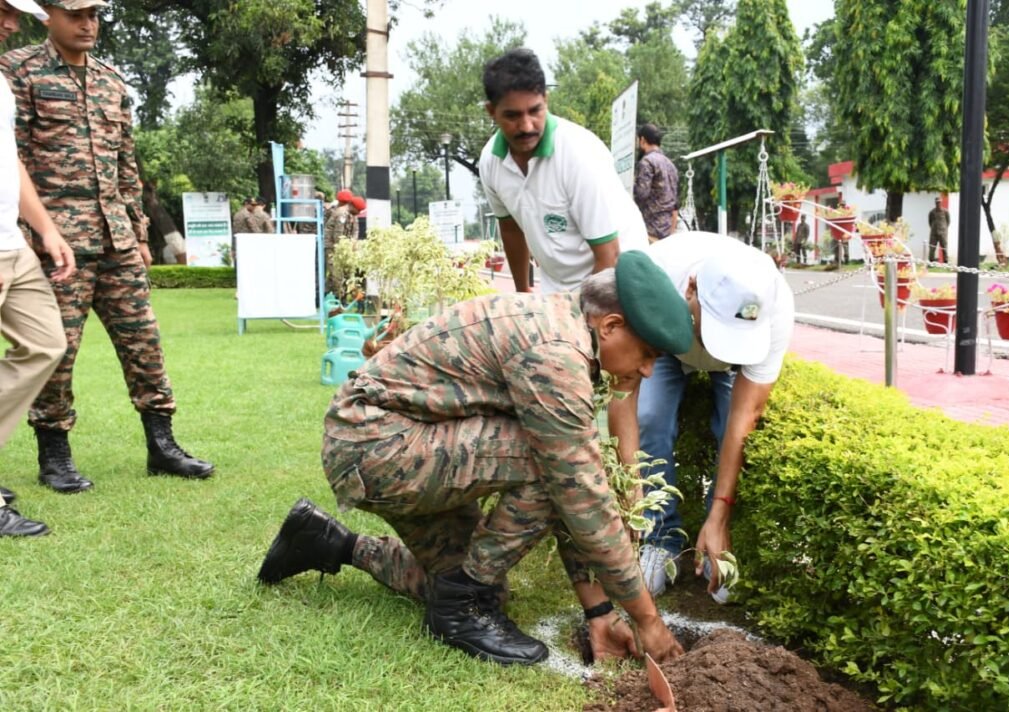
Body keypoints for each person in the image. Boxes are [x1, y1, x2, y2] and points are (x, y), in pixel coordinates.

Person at [257, 252, 689, 666]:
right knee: (554, 470)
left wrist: (599, 614)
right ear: (611, 326)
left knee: (478, 581)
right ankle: (459, 603)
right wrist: (646, 619)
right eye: (648, 354)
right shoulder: (557, 354)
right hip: (377, 447)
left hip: (396, 442)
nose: (649, 371)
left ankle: (329, 542)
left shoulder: (564, 323)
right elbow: (580, 494)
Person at [1, 0, 214, 493]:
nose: (87, 24)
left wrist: (140, 234)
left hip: (116, 238)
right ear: (47, 16)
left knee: (145, 344)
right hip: (56, 241)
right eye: (76, 14)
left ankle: (162, 445)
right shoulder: (17, 72)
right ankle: (54, 454)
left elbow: (126, 165)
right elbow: (9, 159)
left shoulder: (112, 81)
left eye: (94, 15)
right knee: (58, 351)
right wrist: (36, 232)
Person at [617, 232, 795, 599]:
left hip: (733, 359)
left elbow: (744, 417)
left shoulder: (774, 305)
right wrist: (635, 496)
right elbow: (627, 398)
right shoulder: (656, 277)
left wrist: (719, 513)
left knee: (730, 422)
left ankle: (719, 538)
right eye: (716, 329)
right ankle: (660, 538)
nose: (721, 348)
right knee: (650, 415)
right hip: (668, 344)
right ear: (691, 289)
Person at [478, 48, 647, 295]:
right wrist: (523, 293)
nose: (526, 126)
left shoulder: (578, 153)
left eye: (535, 111)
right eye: (512, 115)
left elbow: (609, 255)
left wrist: (584, 319)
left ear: (546, 100)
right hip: (559, 285)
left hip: (619, 278)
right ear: (491, 111)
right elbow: (512, 229)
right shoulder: (491, 161)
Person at [1, 0, 77, 535]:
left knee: (47, 343)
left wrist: (46, 229)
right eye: (2, 9)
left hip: (10, 242)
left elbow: (11, 161)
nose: (10, 22)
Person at [633, 123, 679, 242]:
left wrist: (629, 184)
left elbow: (641, 194)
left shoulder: (647, 162)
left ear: (642, 140)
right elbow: (675, 204)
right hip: (668, 230)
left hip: (650, 230)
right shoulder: (671, 165)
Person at [324, 190, 358, 297]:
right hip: (333, 247)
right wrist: (344, 248)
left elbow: (355, 230)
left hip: (342, 248)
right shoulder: (340, 213)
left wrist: (353, 243)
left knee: (336, 275)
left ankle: (323, 296)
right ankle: (339, 299)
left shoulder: (350, 214)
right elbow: (337, 235)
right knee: (336, 274)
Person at [928, 197, 950, 264]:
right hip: (934, 232)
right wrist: (934, 228)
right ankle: (931, 261)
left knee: (944, 247)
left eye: (939, 202)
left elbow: (948, 221)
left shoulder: (945, 212)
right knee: (932, 247)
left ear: (941, 202)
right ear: (935, 203)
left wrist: (944, 228)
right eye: (937, 202)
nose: (938, 204)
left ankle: (946, 261)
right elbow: (930, 221)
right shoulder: (932, 212)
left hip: (943, 232)